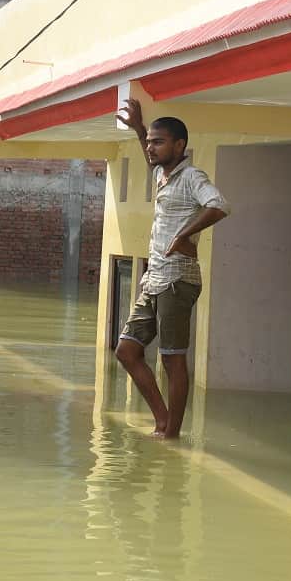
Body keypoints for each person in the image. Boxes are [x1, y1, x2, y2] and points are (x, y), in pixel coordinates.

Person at [114, 98, 229, 438]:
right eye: (149, 142)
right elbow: (150, 156)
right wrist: (138, 127)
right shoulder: (163, 175)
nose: (150, 147)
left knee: (172, 358)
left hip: (178, 280)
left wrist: (184, 235)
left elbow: (219, 205)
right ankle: (163, 420)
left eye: (158, 141)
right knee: (127, 351)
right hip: (155, 279)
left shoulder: (192, 176)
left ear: (180, 146)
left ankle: (171, 433)